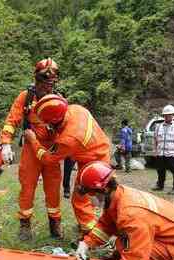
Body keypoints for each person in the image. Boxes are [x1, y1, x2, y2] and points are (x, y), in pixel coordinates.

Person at [75, 161, 174, 260]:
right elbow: (106, 225)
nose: (89, 199)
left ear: (104, 189)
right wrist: (86, 243)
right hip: (173, 233)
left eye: (90, 194)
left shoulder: (130, 214)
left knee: (129, 249)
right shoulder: (117, 196)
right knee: (124, 244)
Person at [24, 94, 111, 235]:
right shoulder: (76, 109)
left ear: (53, 121)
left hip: (93, 162)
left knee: (80, 199)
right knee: (89, 199)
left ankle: (90, 233)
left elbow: (47, 159)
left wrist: (33, 140)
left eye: (48, 123)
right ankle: (89, 226)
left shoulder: (69, 139)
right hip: (98, 153)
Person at [0, 58, 63, 240]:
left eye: (51, 84)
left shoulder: (59, 99)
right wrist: (5, 143)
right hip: (30, 149)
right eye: (44, 83)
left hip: (52, 149)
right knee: (27, 187)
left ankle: (55, 223)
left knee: (53, 189)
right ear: (37, 79)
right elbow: (12, 120)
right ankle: (25, 224)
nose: (47, 88)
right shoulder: (25, 97)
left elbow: (66, 124)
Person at [151, 105, 174, 195]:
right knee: (160, 170)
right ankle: (160, 185)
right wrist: (155, 150)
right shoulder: (158, 126)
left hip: (173, 153)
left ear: (173, 115)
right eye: (165, 115)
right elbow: (155, 139)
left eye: (169, 115)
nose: (167, 116)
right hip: (161, 153)